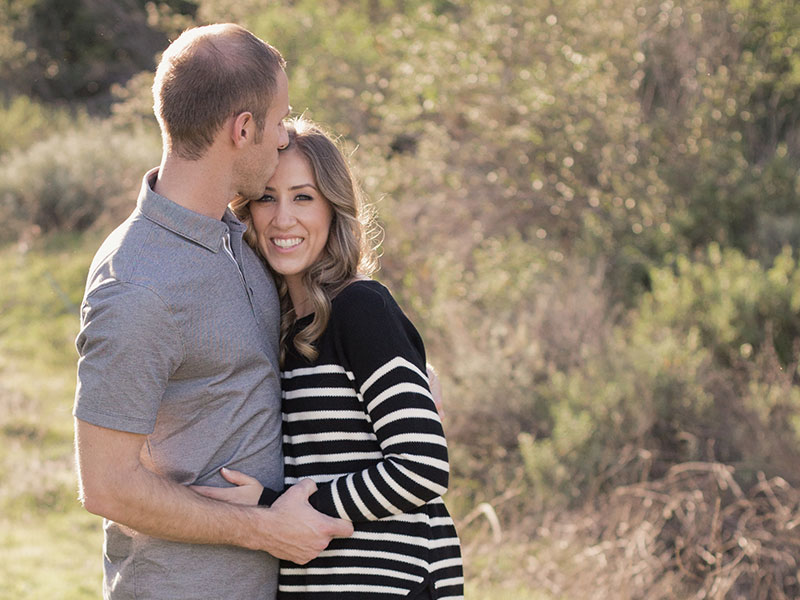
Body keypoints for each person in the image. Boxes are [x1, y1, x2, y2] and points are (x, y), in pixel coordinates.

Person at [73, 24, 352, 600]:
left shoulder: (237, 240)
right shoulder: (139, 284)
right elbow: (106, 486)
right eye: (278, 122)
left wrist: (399, 371)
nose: (283, 140)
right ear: (242, 128)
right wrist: (264, 530)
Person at [194, 117, 464, 599]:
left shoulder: (360, 308)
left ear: (333, 208)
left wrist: (286, 507)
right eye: (266, 197)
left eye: (303, 197)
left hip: (392, 584)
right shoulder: (280, 326)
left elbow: (422, 465)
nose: (282, 219)